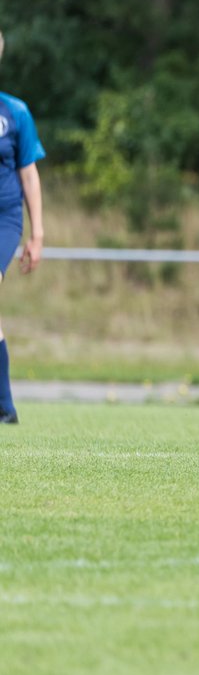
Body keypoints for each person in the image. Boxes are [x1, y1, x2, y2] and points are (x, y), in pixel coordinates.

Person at [0, 28, 47, 425]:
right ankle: (5, 404)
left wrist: (37, 233)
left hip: (4, 217)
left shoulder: (15, 112)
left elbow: (28, 175)